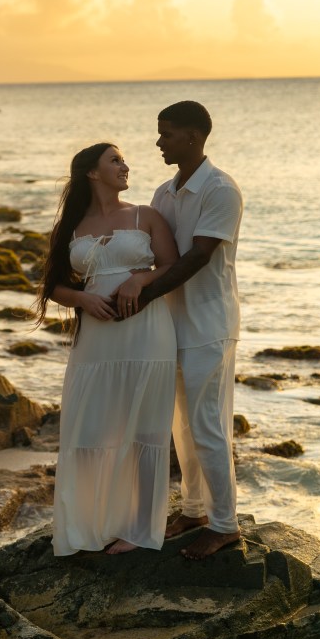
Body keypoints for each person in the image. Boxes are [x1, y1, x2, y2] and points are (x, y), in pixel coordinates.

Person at [37, 142, 179, 556]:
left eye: (123, 159)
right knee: (90, 428)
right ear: (92, 173)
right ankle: (87, 524)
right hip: (96, 340)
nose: (124, 165)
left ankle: (137, 529)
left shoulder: (145, 216)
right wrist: (82, 300)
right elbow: (54, 286)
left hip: (148, 332)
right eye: (114, 160)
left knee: (147, 429)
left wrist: (140, 281)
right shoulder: (72, 225)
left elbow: (172, 266)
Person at [137, 101, 244, 560]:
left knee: (208, 424)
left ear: (193, 137)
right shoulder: (164, 192)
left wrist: (143, 294)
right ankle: (196, 508)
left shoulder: (221, 190)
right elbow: (156, 257)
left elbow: (198, 257)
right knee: (183, 426)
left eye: (166, 134)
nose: (159, 142)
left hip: (210, 325)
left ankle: (225, 525)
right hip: (172, 325)